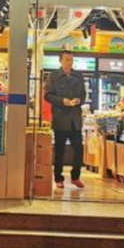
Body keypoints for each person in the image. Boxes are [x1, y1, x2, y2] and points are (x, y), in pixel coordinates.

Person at [44, 50, 87, 190]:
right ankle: (58, 178)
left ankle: (75, 177)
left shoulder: (78, 76)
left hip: (75, 120)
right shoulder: (53, 77)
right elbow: (48, 96)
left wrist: (78, 100)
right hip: (60, 119)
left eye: (71, 60)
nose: (70, 62)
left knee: (79, 149)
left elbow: (83, 95)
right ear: (60, 61)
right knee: (59, 151)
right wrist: (62, 101)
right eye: (67, 59)